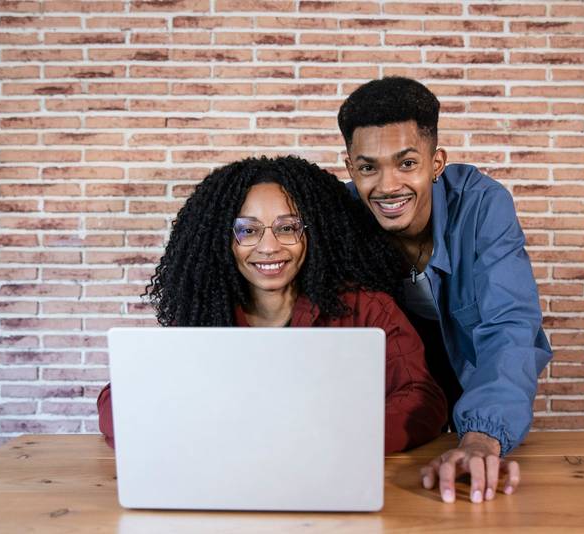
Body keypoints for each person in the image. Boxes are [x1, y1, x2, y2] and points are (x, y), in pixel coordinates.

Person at [97, 155, 448, 454]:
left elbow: (423, 399)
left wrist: (337, 438)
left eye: (287, 228)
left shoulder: (366, 308)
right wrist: (204, 435)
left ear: (312, 234)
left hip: (326, 471)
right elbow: (117, 404)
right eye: (248, 231)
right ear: (225, 240)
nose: (268, 247)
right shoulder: (204, 316)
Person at [337, 77, 553, 504]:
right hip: (395, 398)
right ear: (349, 169)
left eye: (406, 164)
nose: (387, 185)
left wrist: (481, 437)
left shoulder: (483, 207)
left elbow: (510, 326)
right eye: (368, 167)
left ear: (436, 163)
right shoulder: (339, 218)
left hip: (476, 384)